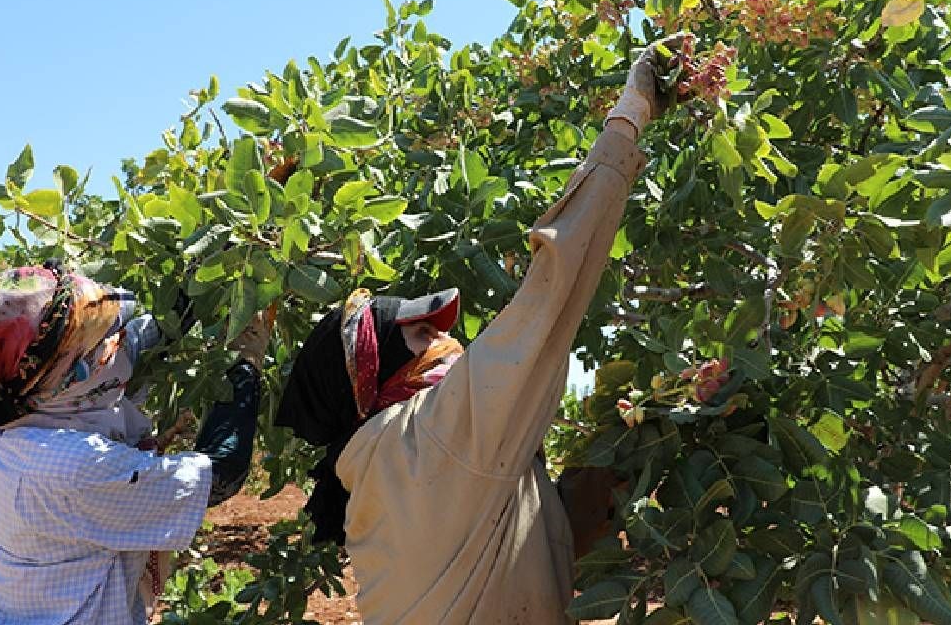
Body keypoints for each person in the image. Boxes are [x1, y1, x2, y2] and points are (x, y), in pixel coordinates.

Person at [275, 34, 686, 624]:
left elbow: (524, 546)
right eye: (417, 335)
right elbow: (552, 297)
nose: (445, 341)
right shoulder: (426, 439)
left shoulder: (389, 468)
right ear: (368, 380)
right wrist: (630, 116)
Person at [0, 262, 269, 624]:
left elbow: (143, 340)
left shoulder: (28, 409)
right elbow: (220, 472)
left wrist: (214, 264)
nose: (114, 346)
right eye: (98, 343)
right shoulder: (69, 467)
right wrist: (244, 366)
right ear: (66, 372)